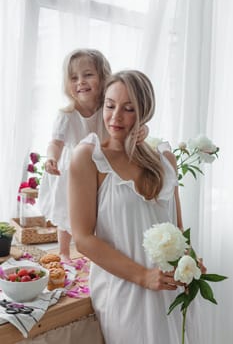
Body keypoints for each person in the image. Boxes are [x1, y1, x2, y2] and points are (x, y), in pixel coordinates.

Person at [68, 70, 202, 343]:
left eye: (129, 109)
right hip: (124, 292)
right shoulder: (88, 157)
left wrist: (189, 260)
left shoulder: (164, 158)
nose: (116, 117)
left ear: (145, 112)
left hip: (170, 288)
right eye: (110, 105)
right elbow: (83, 239)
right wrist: (142, 276)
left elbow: (176, 229)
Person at [38, 50, 148, 261]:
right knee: (66, 209)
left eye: (88, 75)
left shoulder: (108, 109)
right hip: (71, 170)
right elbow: (55, 142)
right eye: (74, 77)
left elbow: (135, 124)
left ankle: (92, 249)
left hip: (100, 167)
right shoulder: (67, 114)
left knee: (96, 210)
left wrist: (144, 131)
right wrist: (51, 158)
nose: (80, 82)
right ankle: (63, 252)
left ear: (103, 76)